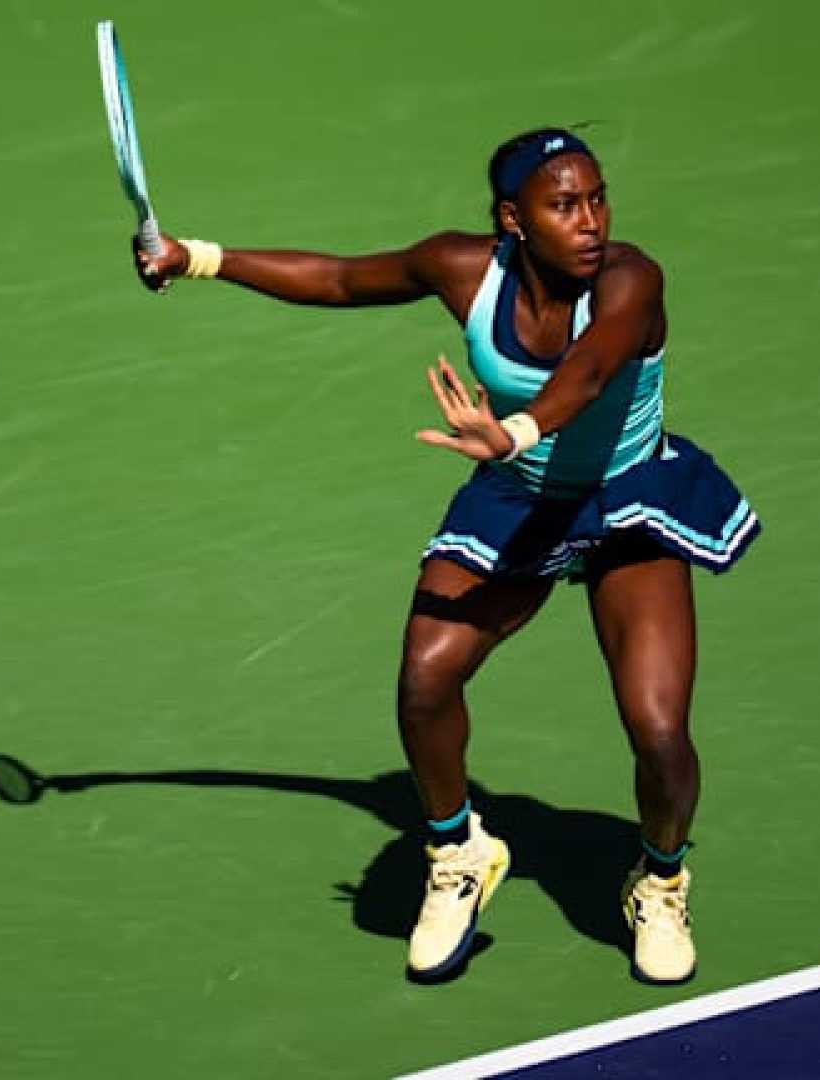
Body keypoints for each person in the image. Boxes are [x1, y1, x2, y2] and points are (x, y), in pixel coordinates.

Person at [132, 128, 759, 984]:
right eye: (564, 205)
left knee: (657, 729)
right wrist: (197, 257)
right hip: (519, 498)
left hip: (626, 501)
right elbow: (343, 279)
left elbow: (591, 366)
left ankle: (659, 877)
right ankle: (459, 849)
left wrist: (516, 430)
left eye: (598, 198)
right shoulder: (464, 269)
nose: (592, 222)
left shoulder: (630, 279)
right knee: (426, 676)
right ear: (512, 219)